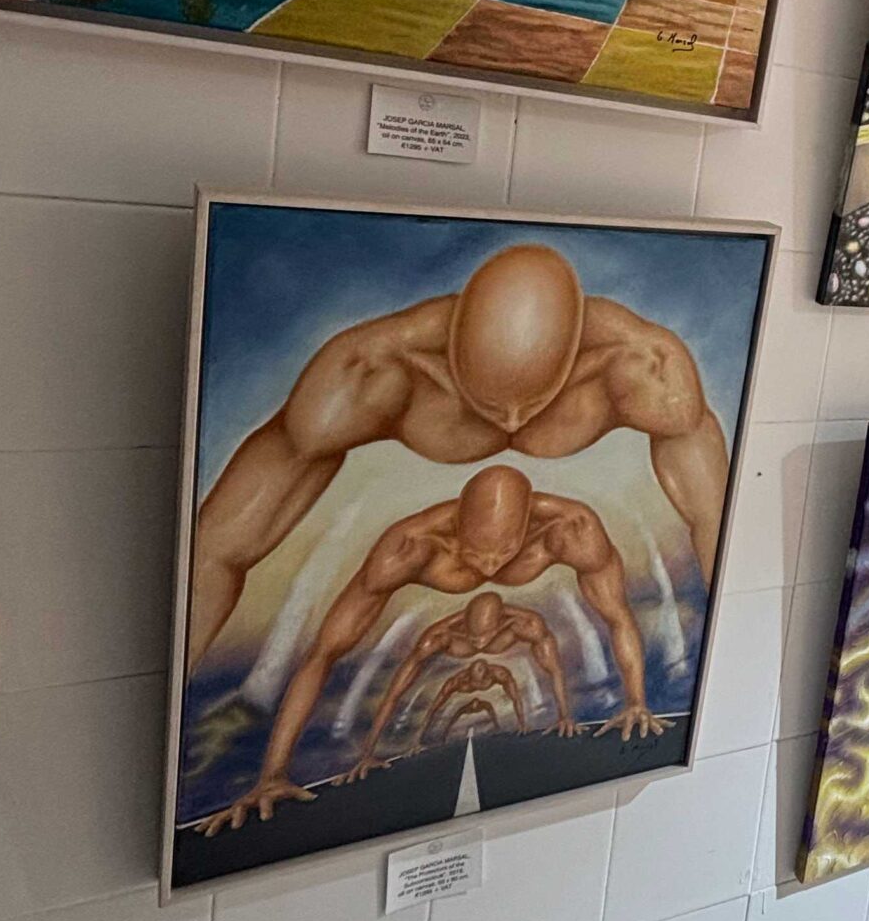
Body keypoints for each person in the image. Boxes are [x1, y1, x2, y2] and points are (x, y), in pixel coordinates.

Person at [187, 242, 730, 670]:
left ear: (573, 359)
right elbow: (219, 549)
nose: (512, 423)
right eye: (490, 404)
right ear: (448, 359)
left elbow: (714, 522)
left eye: (535, 403)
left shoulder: (643, 370)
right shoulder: (369, 376)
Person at [197, 466, 655, 834]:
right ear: (456, 526)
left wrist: (635, 703)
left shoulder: (570, 530)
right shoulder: (410, 548)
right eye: (476, 553)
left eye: (504, 553)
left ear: (527, 529)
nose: (490, 567)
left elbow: (618, 616)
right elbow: (324, 654)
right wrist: (273, 773)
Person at [341, 589, 572, 778]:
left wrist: (564, 716)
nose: (480, 644)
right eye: (474, 638)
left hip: (506, 630)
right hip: (461, 648)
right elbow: (394, 694)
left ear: (500, 623)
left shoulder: (525, 626)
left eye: (486, 637)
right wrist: (367, 753)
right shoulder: (439, 639)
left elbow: (555, 670)